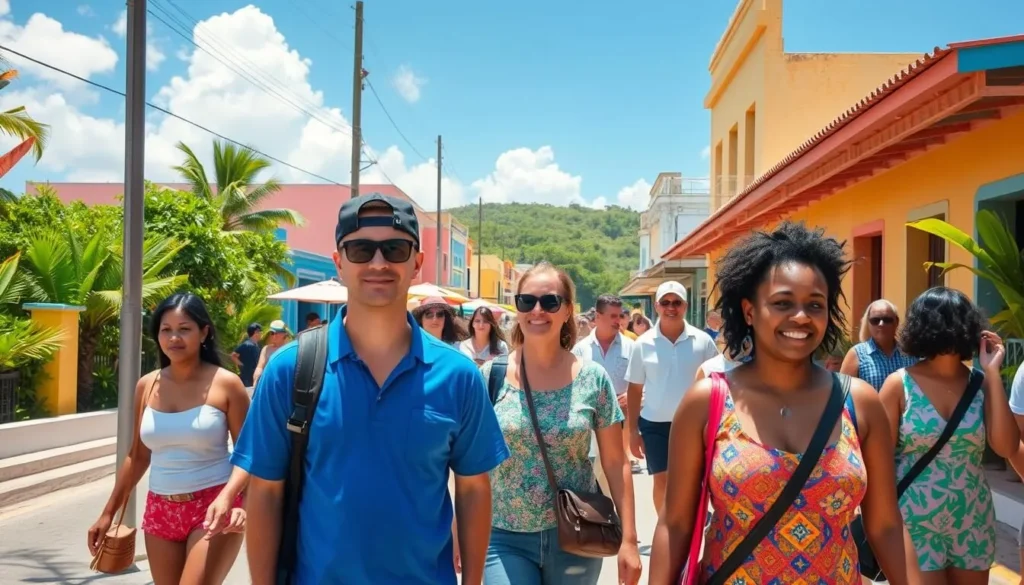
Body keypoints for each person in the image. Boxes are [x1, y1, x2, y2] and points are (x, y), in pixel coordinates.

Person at [231, 193, 509, 585]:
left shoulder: (459, 375)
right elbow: (265, 494)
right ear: (339, 262)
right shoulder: (289, 370)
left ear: (416, 262)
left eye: (394, 248)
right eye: (361, 249)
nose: (378, 263)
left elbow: (473, 490)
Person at [648, 221, 916, 585]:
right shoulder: (708, 401)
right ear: (749, 311)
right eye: (782, 303)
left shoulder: (858, 402)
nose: (801, 317)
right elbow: (674, 524)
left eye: (815, 305)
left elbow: (885, 525)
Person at [481, 263, 642, 585]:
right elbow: (471, 463)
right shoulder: (489, 376)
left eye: (550, 302)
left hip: (577, 532)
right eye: (527, 301)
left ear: (568, 310)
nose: (537, 310)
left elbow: (615, 462)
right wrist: (461, 528)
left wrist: (629, 541)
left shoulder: (592, 379)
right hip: (503, 536)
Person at [87, 292, 249, 584]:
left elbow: (248, 453)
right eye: (166, 330)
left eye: (184, 328)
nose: (174, 337)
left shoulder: (227, 384)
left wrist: (238, 503)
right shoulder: (146, 386)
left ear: (204, 333)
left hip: (213, 506)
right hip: (159, 509)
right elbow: (137, 456)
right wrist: (107, 514)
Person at [878, 287, 1018, 583]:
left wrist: (993, 373)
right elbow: (880, 464)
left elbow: (1006, 446)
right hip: (913, 520)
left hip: (972, 517)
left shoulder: (981, 384)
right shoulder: (897, 385)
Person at [625, 280, 719, 516]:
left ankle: (691, 530)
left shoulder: (703, 342)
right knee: (662, 481)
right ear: (656, 306)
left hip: (695, 426)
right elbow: (634, 390)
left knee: (693, 483)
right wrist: (632, 431)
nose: (671, 307)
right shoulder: (643, 344)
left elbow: (719, 382)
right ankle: (665, 529)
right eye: (665, 302)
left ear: (685, 306)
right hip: (655, 425)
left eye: (676, 302)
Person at [573, 294, 638, 489]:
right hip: (589, 418)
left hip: (621, 419)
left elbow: (645, 383)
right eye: (612, 316)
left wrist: (632, 396)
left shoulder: (632, 348)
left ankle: (613, 514)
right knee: (592, 469)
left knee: (615, 468)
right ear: (598, 317)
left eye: (620, 315)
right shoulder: (580, 350)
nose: (618, 321)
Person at [840, 299, 917, 390]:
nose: (881, 324)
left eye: (887, 320)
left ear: (896, 322)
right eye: (875, 320)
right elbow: (843, 393)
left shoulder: (910, 352)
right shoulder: (857, 354)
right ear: (868, 323)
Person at [252, 319, 290, 387]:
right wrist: (256, 380)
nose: (273, 336)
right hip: (269, 384)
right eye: (272, 333)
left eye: (276, 333)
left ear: (284, 334)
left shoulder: (289, 349)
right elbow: (260, 367)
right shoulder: (266, 349)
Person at [231, 322, 262, 394]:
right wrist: (242, 365)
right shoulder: (246, 345)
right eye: (260, 332)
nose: (261, 334)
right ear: (256, 332)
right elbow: (233, 355)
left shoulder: (256, 345)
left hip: (254, 377)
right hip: (247, 378)